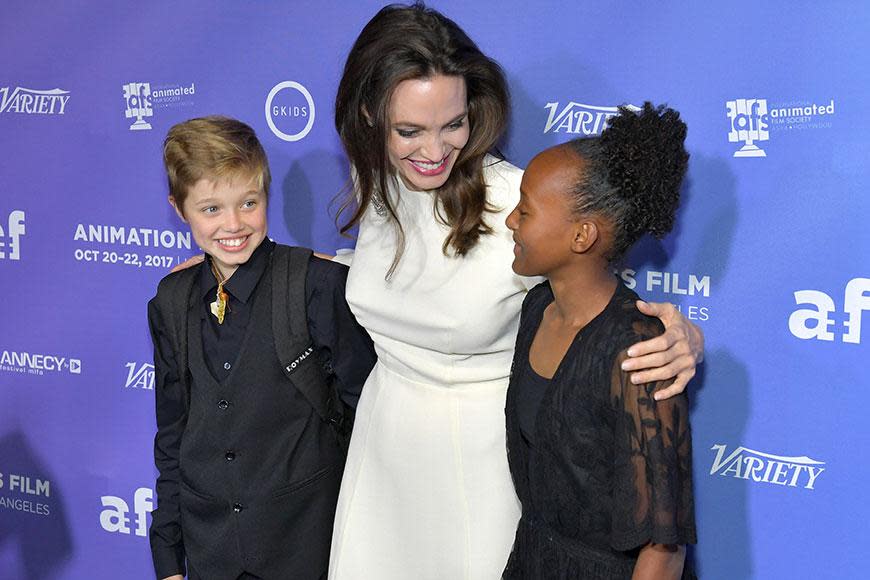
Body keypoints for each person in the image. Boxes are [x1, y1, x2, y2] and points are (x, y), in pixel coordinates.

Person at [327, 4, 703, 579]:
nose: (433, 150)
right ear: (369, 115)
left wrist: (684, 336)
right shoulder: (377, 181)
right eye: (409, 130)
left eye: (452, 123)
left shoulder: (518, 205)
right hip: (382, 448)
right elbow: (383, 276)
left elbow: (597, 304)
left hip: (480, 465)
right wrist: (231, 261)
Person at [147, 116, 375, 580]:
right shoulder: (170, 302)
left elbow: (367, 423)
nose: (233, 224)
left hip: (307, 547)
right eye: (211, 209)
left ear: (266, 194)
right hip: (211, 551)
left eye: (248, 202)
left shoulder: (317, 286)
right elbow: (173, 435)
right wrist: (169, 557)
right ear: (179, 208)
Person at [502, 103, 696, 579]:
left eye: (525, 209)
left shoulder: (638, 349)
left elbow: (663, 548)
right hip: (535, 559)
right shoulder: (536, 309)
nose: (510, 220)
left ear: (582, 235)